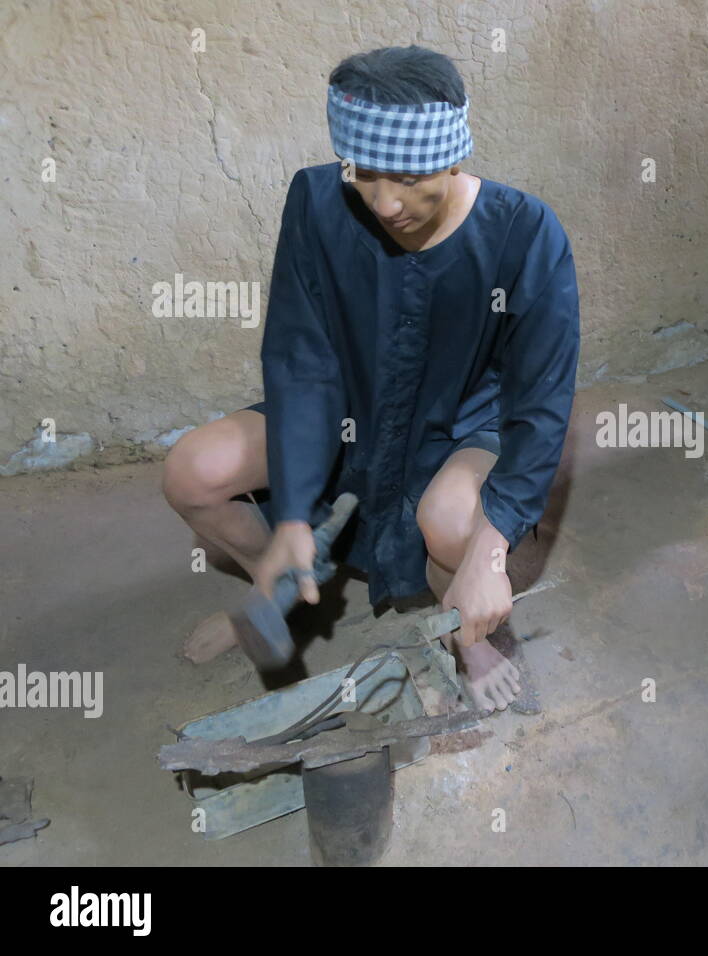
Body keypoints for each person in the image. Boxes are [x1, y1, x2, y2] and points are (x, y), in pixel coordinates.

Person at [163, 46, 580, 711]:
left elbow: (542, 400)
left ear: (453, 154)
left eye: (410, 178)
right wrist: (295, 512)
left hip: (463, 418)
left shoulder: (527, 233)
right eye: (365, 175)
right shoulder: (316, 203)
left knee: (453, 522)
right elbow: (302, 359)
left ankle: (464, 633)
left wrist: (493, 549)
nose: (386, 204)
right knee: (193, 469)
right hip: (345, 405)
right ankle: (276, 585)